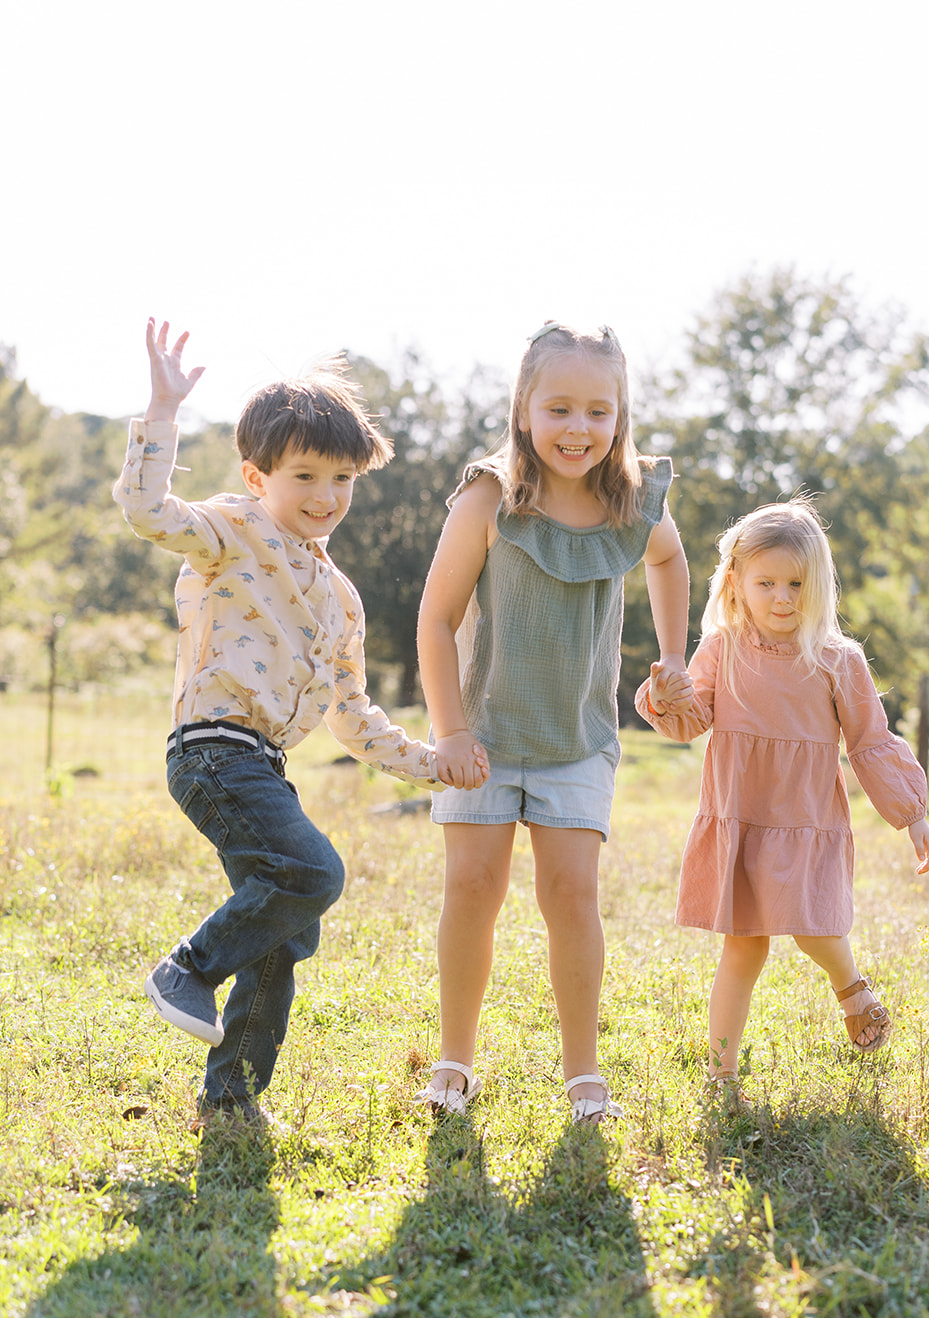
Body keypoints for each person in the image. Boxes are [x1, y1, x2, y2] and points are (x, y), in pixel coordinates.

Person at [113, 320, 485, 1127]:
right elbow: (146, 510)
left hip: (263, 765)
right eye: (306, 475)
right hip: (213, 750)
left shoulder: (340, 597)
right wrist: (163, 414)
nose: (326, 496)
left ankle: (230, 1100)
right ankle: (186, 967)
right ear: (256, 475)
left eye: (343, 479)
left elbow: (352, 718)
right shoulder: (227, 529)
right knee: (313, 874)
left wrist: (433, 762)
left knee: (282, 927)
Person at [415, 321, 692, 1124]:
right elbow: (435, 619)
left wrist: (674, 656)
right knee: (472, 888)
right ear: (524, 408)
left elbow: (669, 559)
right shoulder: (490, 495)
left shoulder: (631, 498)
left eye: (598, 412)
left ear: (620, 415)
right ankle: (455, 1062)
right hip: (485, 738)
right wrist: (450, 731)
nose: (579, 429)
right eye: (560, 408)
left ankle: (581, 1075)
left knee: (571, 895)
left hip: (577, 740)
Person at [636, 495, 929, 1095]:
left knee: (811, 926)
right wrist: (667, 695)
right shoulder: (723, 649)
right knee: (743, 949)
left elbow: (870, 742)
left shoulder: (837, 659)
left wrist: (913, 817)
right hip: (741, 814)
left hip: (804, 817)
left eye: (796, 583)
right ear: (737, 583)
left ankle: (850, 985)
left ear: (818, 585)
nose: (781, 597)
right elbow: (692, 718)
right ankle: (721, 1077)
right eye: (766, 582)